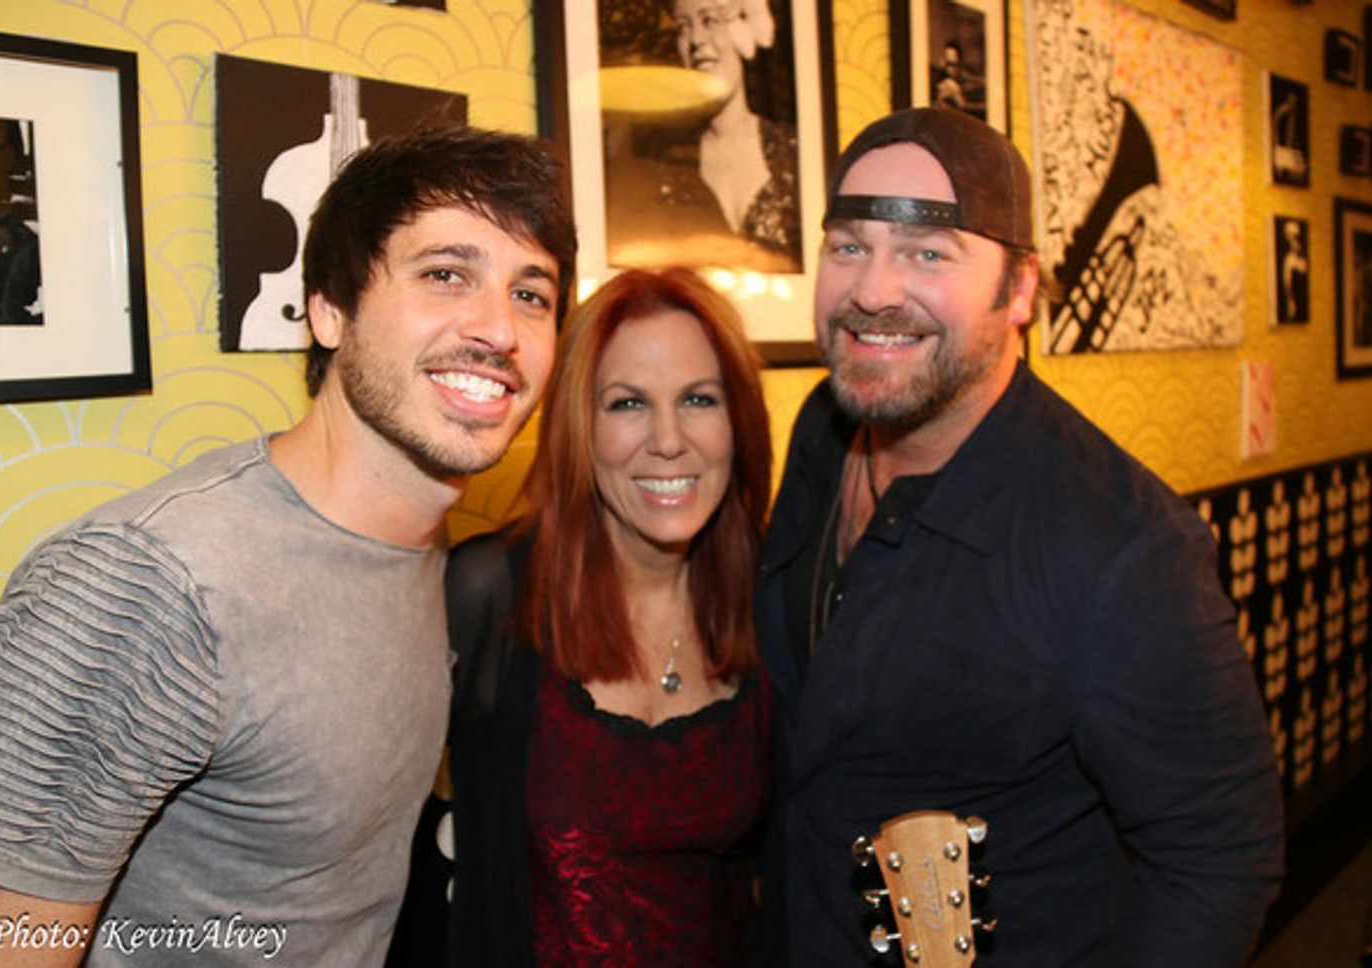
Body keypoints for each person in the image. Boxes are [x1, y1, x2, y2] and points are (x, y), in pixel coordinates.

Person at [0, 124, 576, 966]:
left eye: (531, 294)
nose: (499, 329)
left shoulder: (424, 554)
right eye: (446, 274)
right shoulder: (147, 590)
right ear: (330, 309)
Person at [755, 107, 1284, 967]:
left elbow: (1220, 862)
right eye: (849, 246)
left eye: (929, 253)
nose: (873, 291)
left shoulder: (1126, 552)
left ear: (1023, 289)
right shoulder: (823, 427)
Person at [388, 266, 774, 967]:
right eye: (627, 403)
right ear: (579, 427)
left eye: (698, 399)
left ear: (738, 421)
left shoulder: (772, 602)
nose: (668, 440)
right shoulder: (489, 597)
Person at [670, 0, 798, 258]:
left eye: (710, 20)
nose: (695, 39)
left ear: (744, 31)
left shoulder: (796, 150)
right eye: (683, 27)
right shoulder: (668, 164)